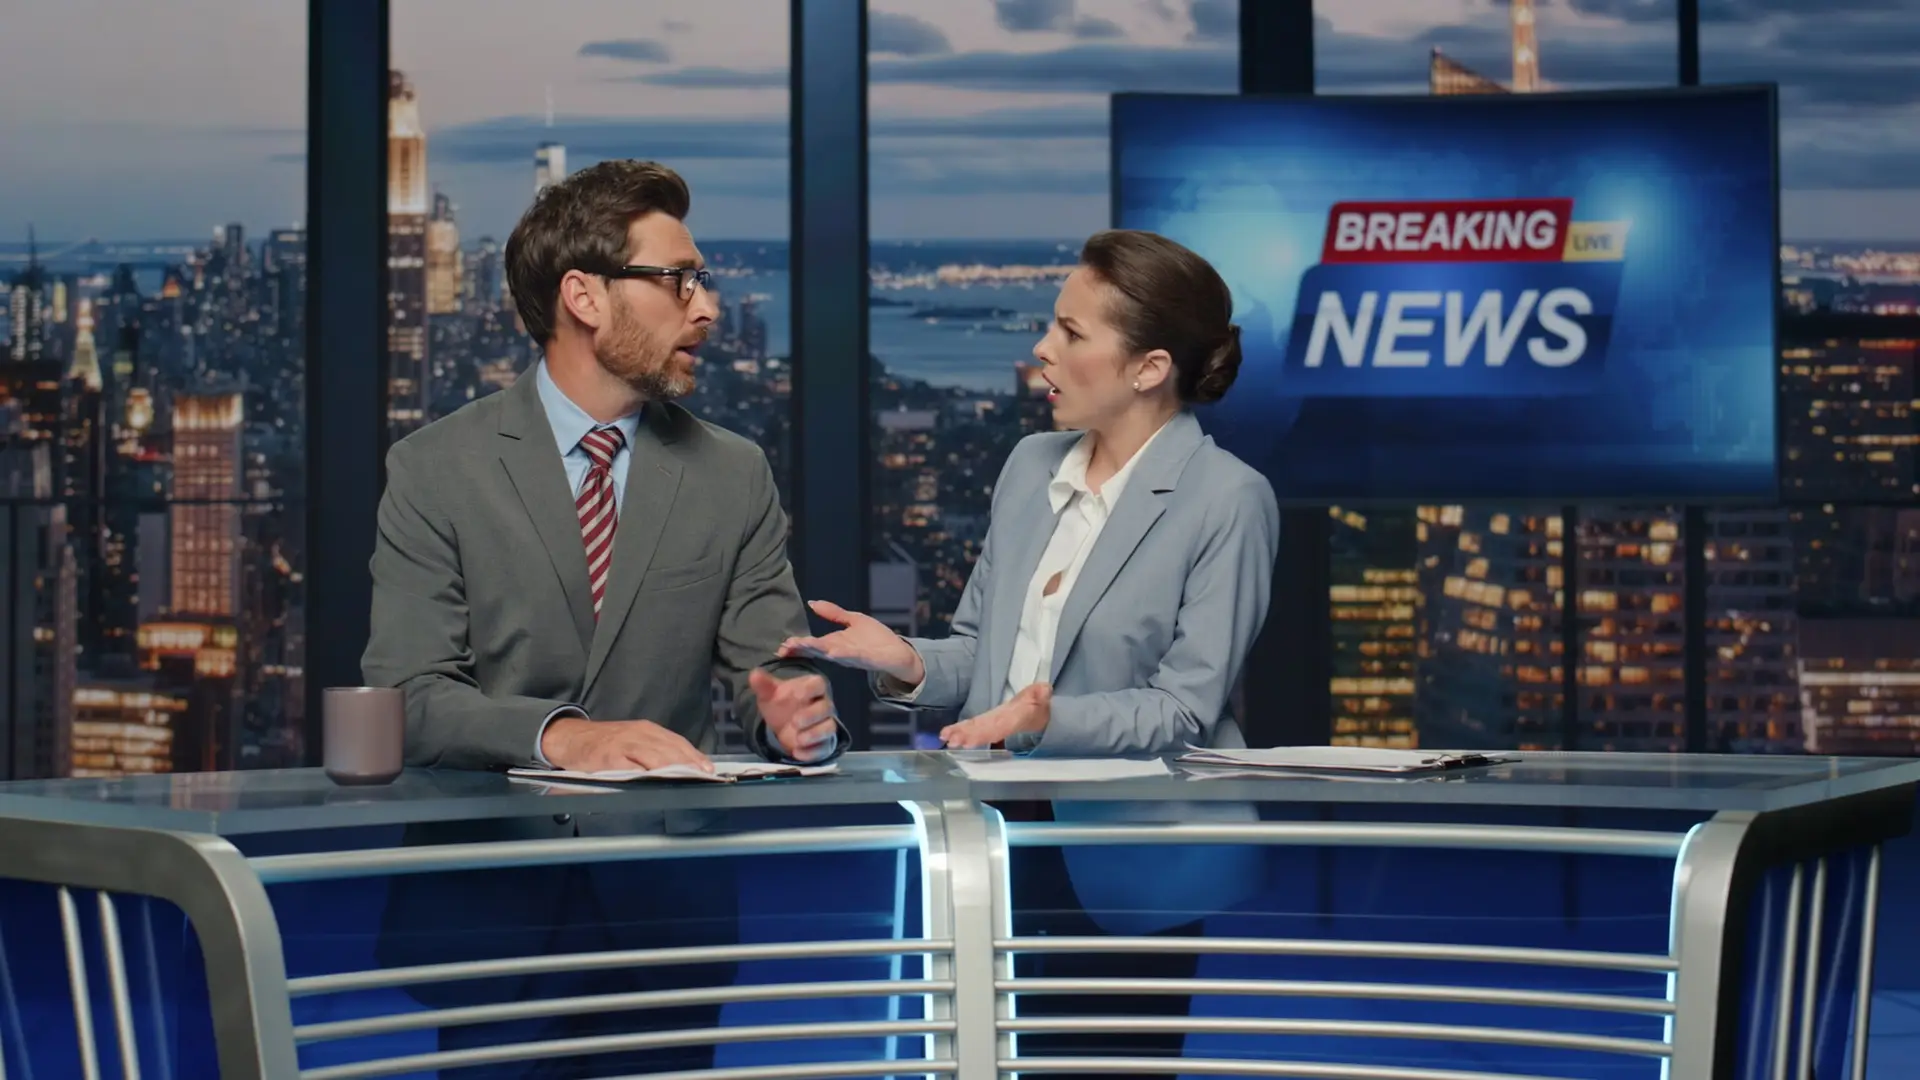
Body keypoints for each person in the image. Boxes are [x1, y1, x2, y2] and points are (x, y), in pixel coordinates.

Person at [362, 160, 847, 1078]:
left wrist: (793, 716)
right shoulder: (435, 469)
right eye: (680, 280)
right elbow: (408, 696)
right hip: (491, 922)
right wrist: (566, 738)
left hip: (667, 925)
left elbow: (771, 668)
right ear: (583, 296)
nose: (706, 307)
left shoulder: (732, 472)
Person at [781, 229, 1278, 1076]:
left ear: (1149, 367)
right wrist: (902, 658)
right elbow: (983, 653)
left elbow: (1186, 707)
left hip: (1132, 866)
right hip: (1000, 841)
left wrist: (1044, 722)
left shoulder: (1228, 499)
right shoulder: (1028, 465)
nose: (1042, 348)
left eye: (1071, 333)